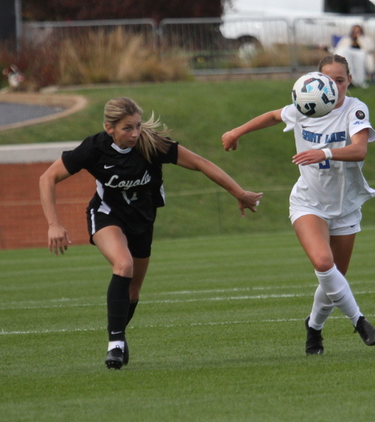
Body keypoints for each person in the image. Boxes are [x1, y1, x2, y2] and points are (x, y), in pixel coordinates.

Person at [39, 97, 263, 368]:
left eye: (137, 126)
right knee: (123, 265)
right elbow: (47, 178)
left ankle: (118, 335)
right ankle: (115, 344)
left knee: (133, 294)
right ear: (109, 127)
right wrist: (54, 224)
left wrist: (239, 193)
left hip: (142, 221)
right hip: (107, 214)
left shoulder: (151, 143)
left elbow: (201, 163)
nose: (134, 134)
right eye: (126, 128)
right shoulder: (94, 148)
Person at [221, 54, 375, 354]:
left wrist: (325, 153)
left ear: (349, 81)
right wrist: (236, 132)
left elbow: (359, 151)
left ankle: (314, 329)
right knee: (324, 264)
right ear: (315, 82)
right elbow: (272, 116)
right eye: (328, 80)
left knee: (335, 281)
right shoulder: (306, 105)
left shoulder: (355, 109)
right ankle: (360, 322)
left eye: (340, 80)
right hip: (308, 202)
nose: (334, 86)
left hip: (345, 206)